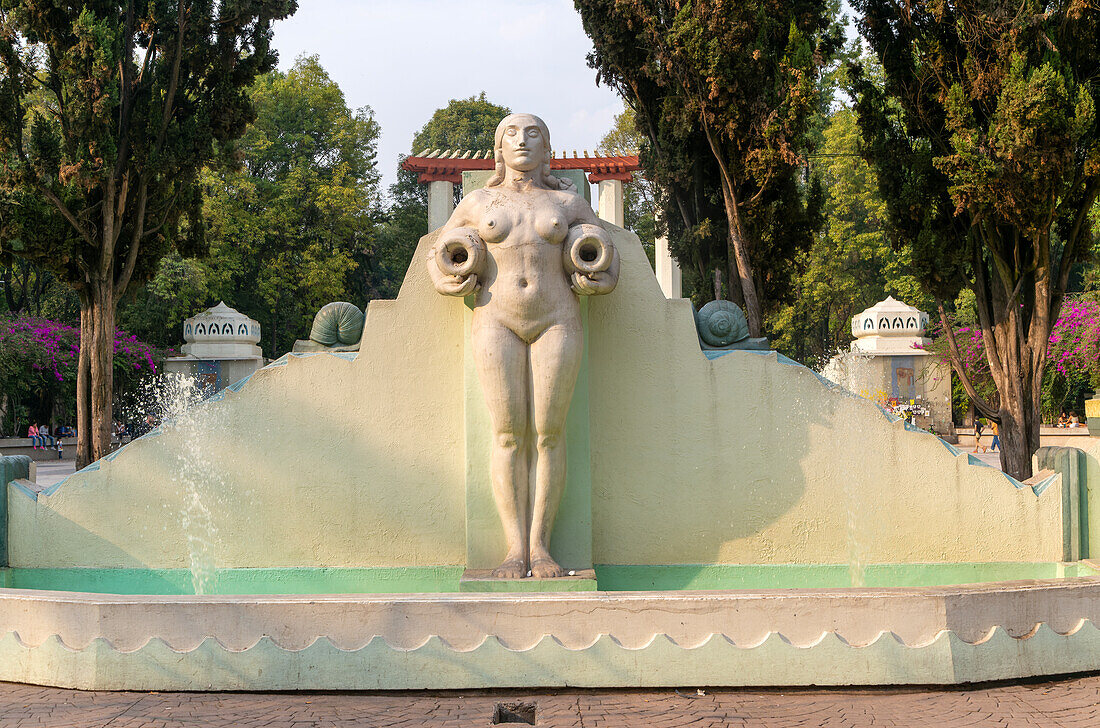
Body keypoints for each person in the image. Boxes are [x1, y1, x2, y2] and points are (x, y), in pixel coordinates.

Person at [428, 113, 619, 579]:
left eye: (533, 133)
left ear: (547, 148)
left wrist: (595, 278)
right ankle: (515, 549)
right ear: (498, 149)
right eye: (511, 133)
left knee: (550, 433)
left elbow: (609, 263)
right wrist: (449, 280)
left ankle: (542, 547)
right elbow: (440, 254)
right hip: (497, 319)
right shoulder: (477, 200)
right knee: (509, 434)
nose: (522, 140)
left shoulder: (568, 203)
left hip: (557, 320)